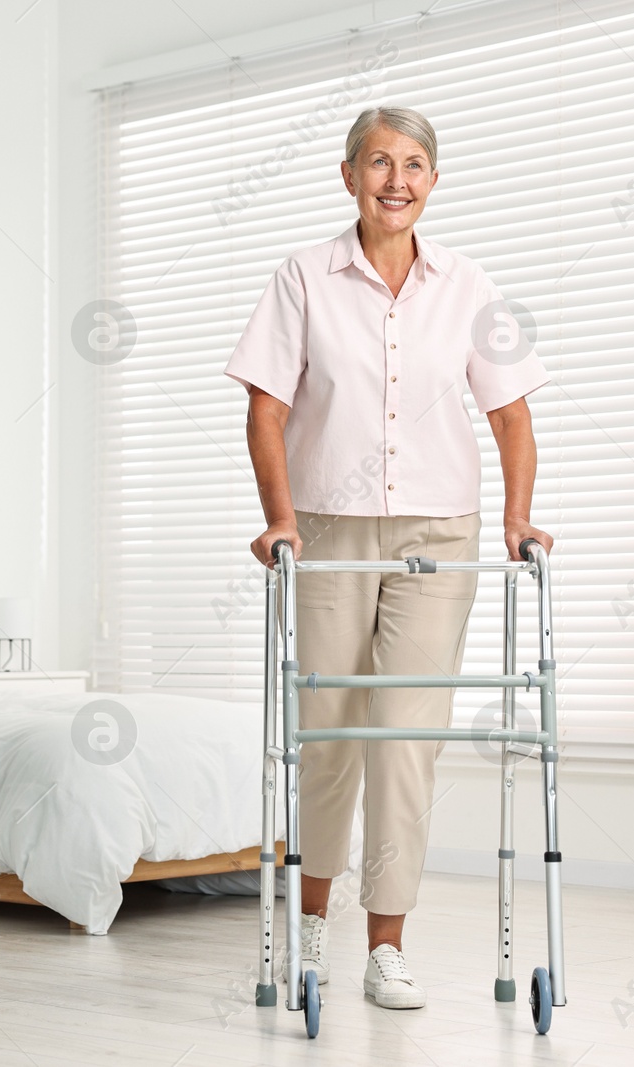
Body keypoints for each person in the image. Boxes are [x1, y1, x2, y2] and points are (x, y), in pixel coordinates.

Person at [223, 105, 553, 1010]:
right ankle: (313, 928)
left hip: (438, 532)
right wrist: (279, 518)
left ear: (434, 181)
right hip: (328, 528)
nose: (395, 180)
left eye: (413, 164)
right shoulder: (303, 278)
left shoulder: (469, 284)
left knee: (404, 740)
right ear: (348, 175)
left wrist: (518, 518)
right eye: (378, 162)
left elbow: (511, 414)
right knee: (328, 734)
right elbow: (266, 409)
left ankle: (386, 947)